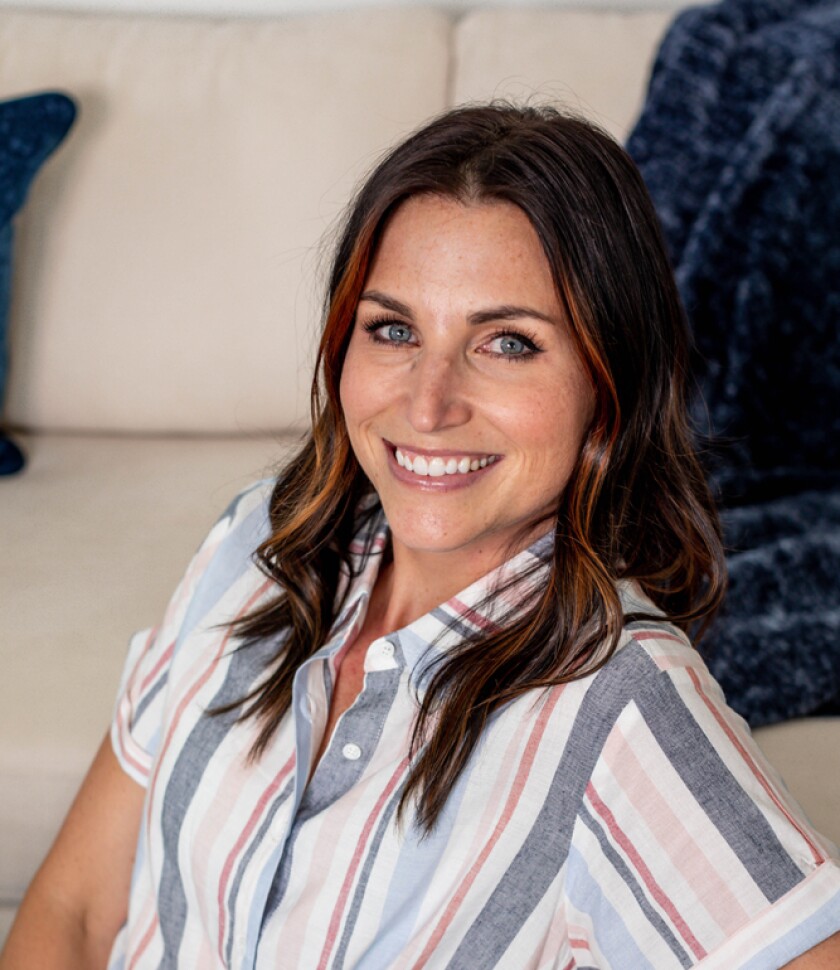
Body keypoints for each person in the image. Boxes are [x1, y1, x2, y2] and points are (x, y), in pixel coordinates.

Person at [2, 104, 839, 970]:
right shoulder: (256, 542)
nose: (428, 404)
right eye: (394, 330)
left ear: (609, 381)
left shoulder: (624, 705)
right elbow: (75, 909)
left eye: (507, 343)